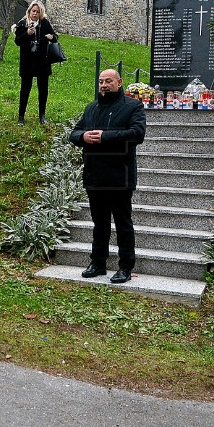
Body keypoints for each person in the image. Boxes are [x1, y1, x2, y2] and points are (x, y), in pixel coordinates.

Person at [69, 69, 146, 284]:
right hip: (95, 174)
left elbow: (137, 134)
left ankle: (125, 267)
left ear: (119, 82)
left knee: (123, 224)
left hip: (120, 176)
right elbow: (74, 133)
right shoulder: (91, 108)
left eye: (108, 81)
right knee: (99, 223)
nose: (103, 85)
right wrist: (83, 136)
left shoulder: (133, 106)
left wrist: (105, 137)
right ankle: (98, 263)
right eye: (101, 81)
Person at [13, 1, 58, 125]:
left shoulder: (45, 24)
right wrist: (27, 34)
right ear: (29, 12)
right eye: (33, 11)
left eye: (38, 12)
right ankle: (21, 116)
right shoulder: (23, 24)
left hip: (42, 63)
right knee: (25, 90)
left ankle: (42, 116)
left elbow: (55, 37)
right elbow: (17, 41)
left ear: (41, 13)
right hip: (27, 63)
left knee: (43, 90)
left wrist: (52, 37)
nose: (35, 13)